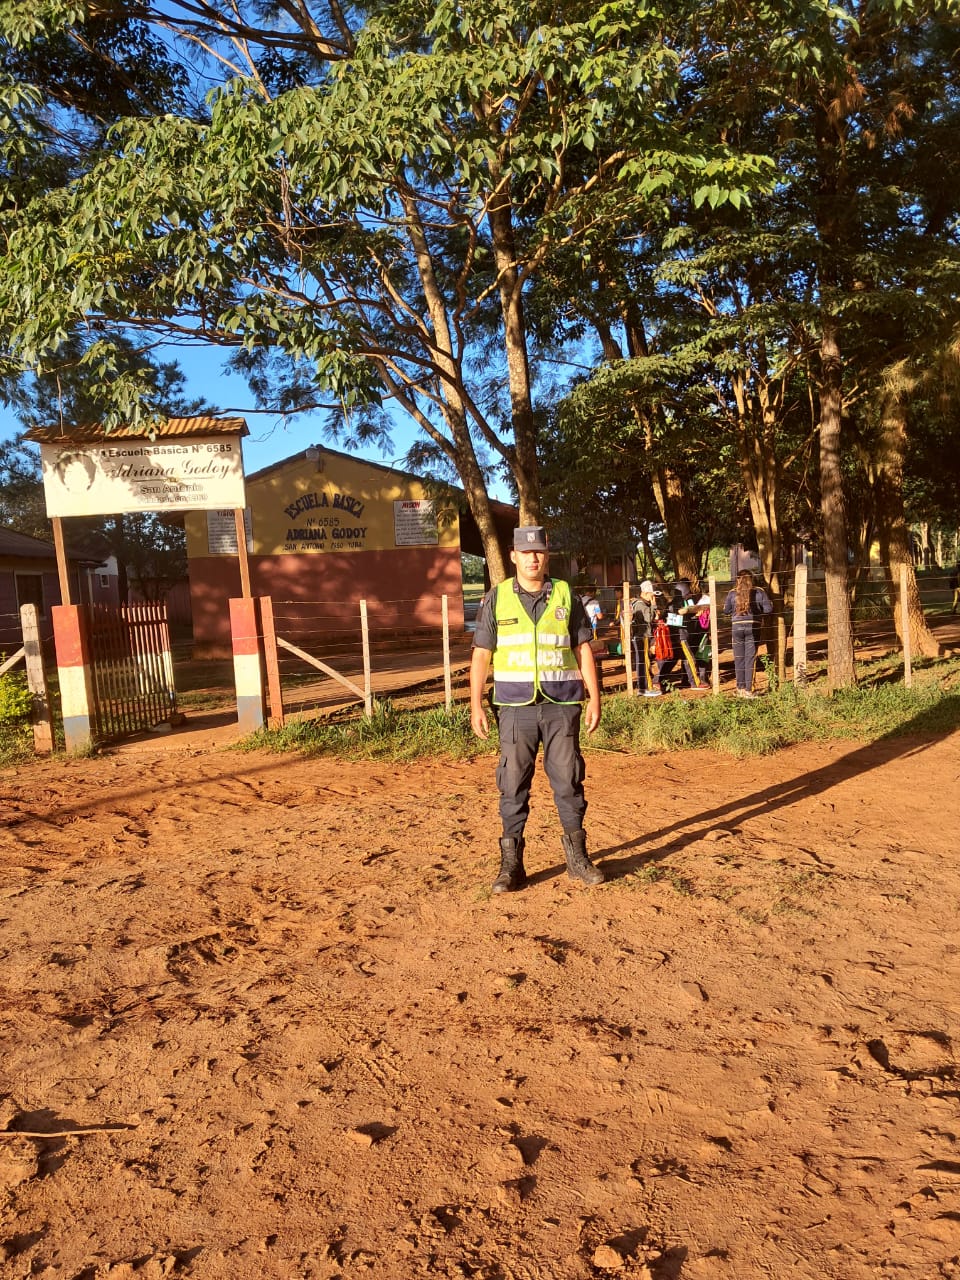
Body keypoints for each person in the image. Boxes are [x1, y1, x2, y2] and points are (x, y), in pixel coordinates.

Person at [470, 525, 604, 893]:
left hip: (561, 705)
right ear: (513, 556)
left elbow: (583, 650)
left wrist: (594, 697)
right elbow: (481, 654)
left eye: (539, 551)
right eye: (525, 552)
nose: (533, 557)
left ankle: (577, 859)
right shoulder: (495, 599)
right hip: (514, 709)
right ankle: (511, 865)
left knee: (568, 781)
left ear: (547, 556)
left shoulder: (565, 594)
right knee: (512, 786)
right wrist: (475, 704)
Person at [723, 570, 774, 697]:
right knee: (750, 658)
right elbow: (768, 609)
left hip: (736, 628)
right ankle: (748, 690)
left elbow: (726, 611)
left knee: (739, 658)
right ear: (752, 579)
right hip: (753, 627)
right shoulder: (759, 591)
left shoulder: (732, 593)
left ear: (738, 579)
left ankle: (740, 688)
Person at [657, 580, 707, 693]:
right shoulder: (684, 602)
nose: (690, 593)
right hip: (682, 636)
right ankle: (695, 682)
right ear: (685, 591)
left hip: (673, 636)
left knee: (672, 660)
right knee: (689, 659)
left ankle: (658, 680)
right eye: (688, 591)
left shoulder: (671, 603)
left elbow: (665, 618)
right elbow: (684, 618)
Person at [624, 580, 662, 697]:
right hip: (642, 636)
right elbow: (648, 618)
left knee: (642, 662)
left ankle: (642, 688)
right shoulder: (641, 604)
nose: (653, 596)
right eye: (652, 594)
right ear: (645, 593)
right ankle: (647, 688)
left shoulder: (638, 603)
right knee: (644, 662)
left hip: (640, 636)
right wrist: (654, 605)